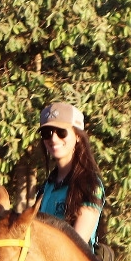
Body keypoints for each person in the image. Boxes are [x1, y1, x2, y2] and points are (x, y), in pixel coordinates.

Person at [34, 102, 104, 247]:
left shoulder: (90, 185)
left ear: (78, 136)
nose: (53, 139)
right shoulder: (47, 186)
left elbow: (77, 245)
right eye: (47, 133)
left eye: (61, 132)